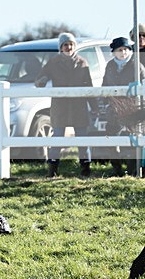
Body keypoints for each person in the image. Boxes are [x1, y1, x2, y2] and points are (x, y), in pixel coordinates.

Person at [35, 32, 97, 178]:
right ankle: (52, 170)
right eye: (65, 45)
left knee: (82, 139)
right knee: (57, 138)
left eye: (71, 44)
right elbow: (39, 79)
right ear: (61, 47)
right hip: (60, 106)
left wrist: (94, 106)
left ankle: (85, 169)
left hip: (79, 106)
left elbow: (89, 85)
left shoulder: (82, 62)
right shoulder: (53, 62)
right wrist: (42, 80)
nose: (68, 47)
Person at [102, 37, 145, 176]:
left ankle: (132, 170)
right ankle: (117, 169)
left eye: (126, 49)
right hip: (114, 108)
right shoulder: (110, 66)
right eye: (120, 50)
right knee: (111, 137)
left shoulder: (136, 65)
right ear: (114, 52)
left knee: (133, 138)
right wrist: (105, 101)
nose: (123, 52)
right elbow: (105, 85)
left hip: (132, 109)